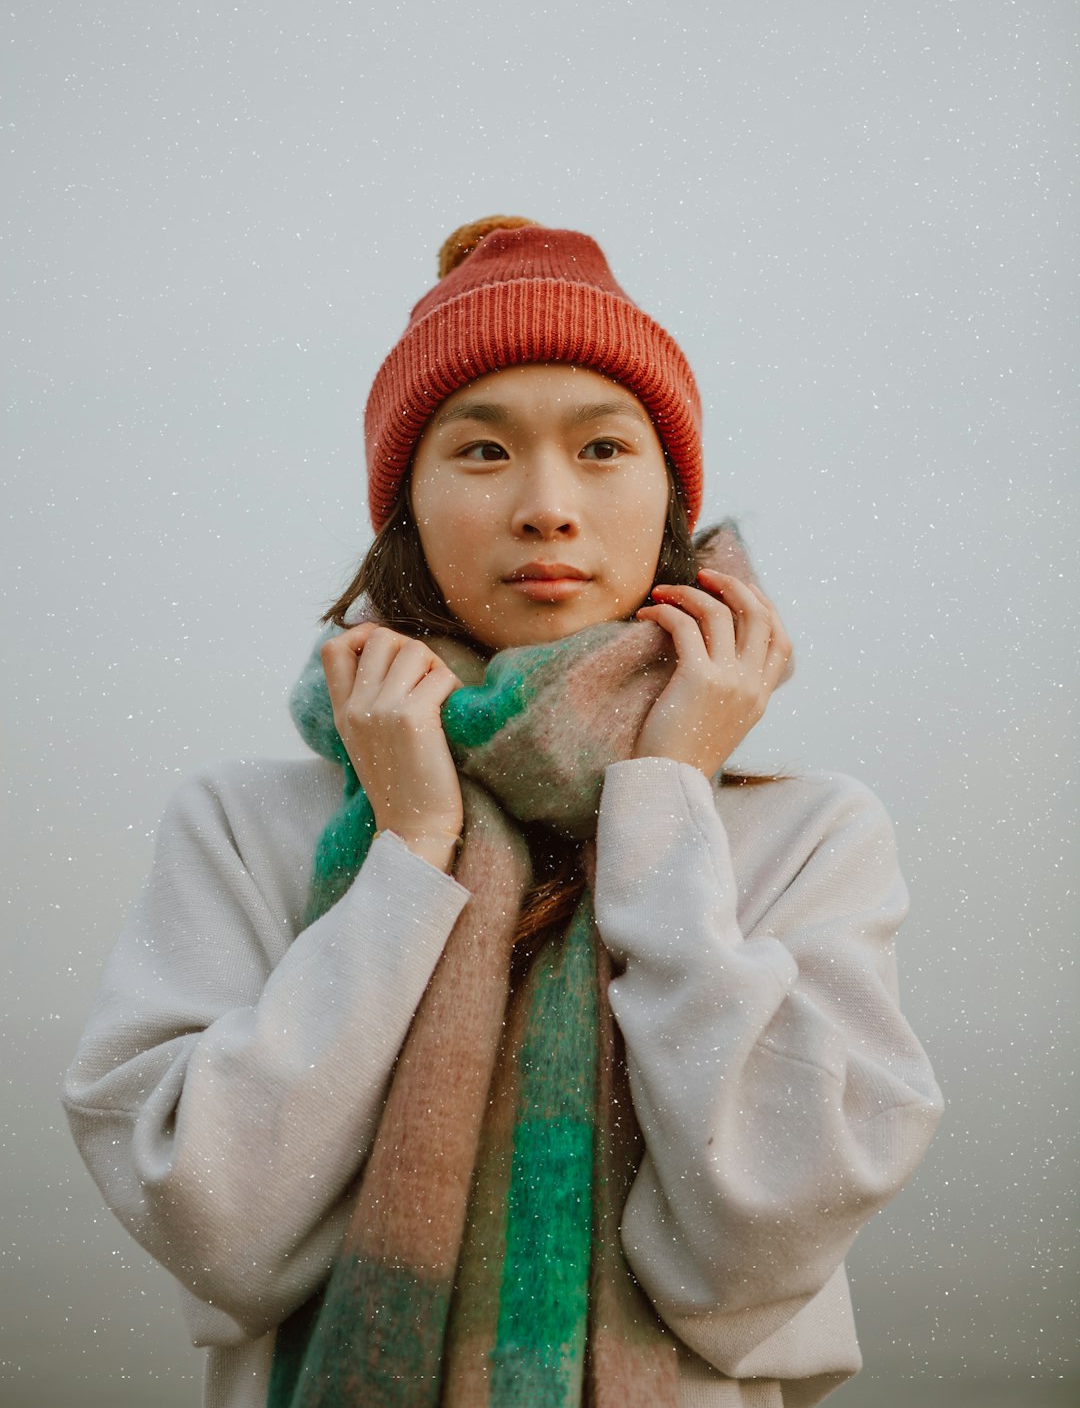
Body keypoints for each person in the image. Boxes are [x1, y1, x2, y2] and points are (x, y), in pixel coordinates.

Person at [60, 216, 944, 1408]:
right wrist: (412, 850)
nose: (546, 507)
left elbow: (762, 1237)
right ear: (406, 506)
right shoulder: (245, 823)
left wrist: (666, 803)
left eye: (602, 448)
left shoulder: (805, 836)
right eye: (480, 452)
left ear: (671, 498)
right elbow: (222, 1226)